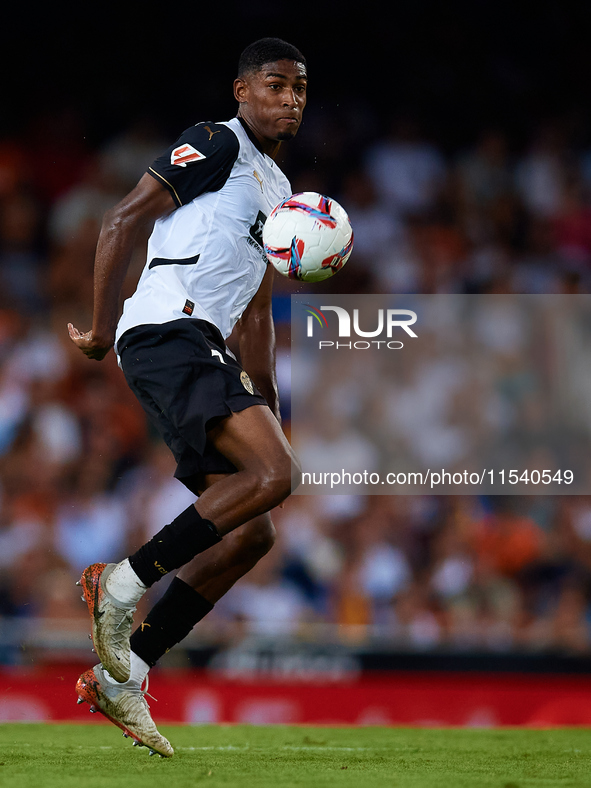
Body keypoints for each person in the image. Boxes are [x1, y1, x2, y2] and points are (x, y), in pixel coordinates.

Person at [68, 37, 307, 758]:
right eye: (275, 85)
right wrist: (103, 328)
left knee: (253, 527)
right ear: (241, 91)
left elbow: (260, 312)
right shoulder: (213, 142)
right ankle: (119, 580)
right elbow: (122, 219)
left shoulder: (277, 188)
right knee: (274, 477)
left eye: (299, 88)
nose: (289, 99)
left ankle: (125, 676)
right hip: (168, 330)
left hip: (203, 346)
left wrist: (266, 406)